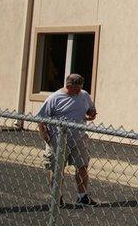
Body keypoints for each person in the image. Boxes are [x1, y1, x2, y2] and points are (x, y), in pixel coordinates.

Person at [36, 73, 99, 206]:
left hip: (79, 137)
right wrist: (45, 135)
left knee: (82, 166)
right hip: (58, 139)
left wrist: (91, 112)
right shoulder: (54, 98)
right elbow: (41, 118)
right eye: (75, 89)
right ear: (68, 86)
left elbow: (90, 108)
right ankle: (57, 198)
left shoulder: (84, 95)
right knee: (56, 168)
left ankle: (82, 197)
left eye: (79, 89)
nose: (77, 92)